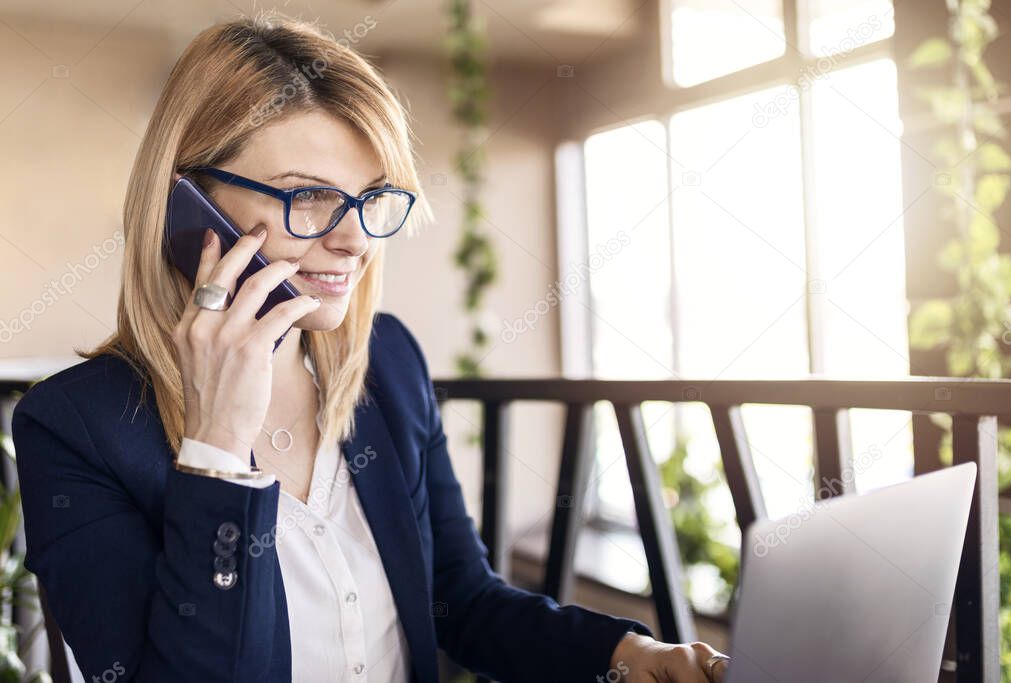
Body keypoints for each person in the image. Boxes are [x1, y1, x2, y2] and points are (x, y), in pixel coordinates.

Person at [11, 11, 729, 683]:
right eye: (308, 196)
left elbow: (460, 596)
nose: (353, 239)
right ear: (186, 205)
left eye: (369, 198)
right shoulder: (74, 427)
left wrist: (622, 652)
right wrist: (217, 455)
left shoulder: (386, 363)